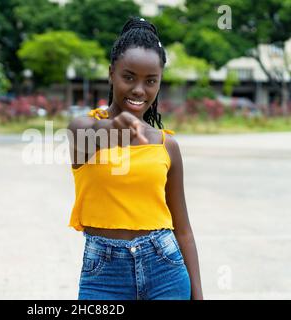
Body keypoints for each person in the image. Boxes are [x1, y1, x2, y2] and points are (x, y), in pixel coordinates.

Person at [66, 17, 203, 300]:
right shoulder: (84, 129)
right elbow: (88, 136)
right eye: (129, 77)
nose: (139, 89)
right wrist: (116, 127)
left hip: (165, 267)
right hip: (104, 274)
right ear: (111, 74)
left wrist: (198, 295)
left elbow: (184, 230)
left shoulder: (168, 145)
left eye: (150, 80)